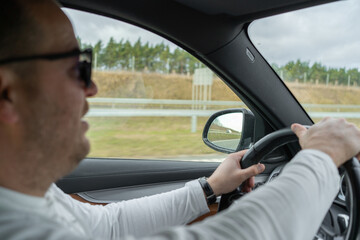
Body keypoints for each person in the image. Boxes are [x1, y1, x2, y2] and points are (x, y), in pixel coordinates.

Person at [0, 0, 359, 239]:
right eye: (76, 68)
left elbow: (106, 226)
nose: (91, 87)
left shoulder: (27, 193)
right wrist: (322, 157)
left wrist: (209, 189)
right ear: (8, 93)